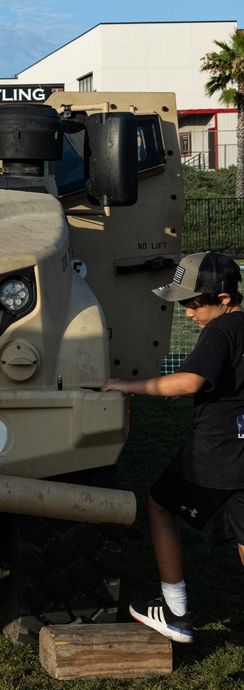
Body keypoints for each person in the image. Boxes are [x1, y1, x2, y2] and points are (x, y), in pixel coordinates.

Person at [102, 252, 244, 644]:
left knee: (159, 505)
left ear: (225, 299)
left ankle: (176, 612)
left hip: (214, 453)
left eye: (194, 304)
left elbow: (191, 381)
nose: (187, 314)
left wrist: (125, 385)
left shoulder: (221, 329)